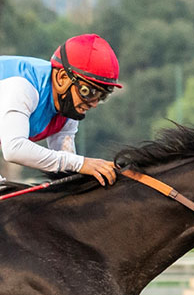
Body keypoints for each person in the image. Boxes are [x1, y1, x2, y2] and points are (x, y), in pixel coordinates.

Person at [0, 33, 122, 187]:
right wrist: (82, 163)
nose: (94, 103)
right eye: (88, 92)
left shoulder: (67, 108)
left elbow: (66, 166)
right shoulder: (23, 88)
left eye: (102, 96)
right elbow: (14, 149)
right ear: (63, 78)